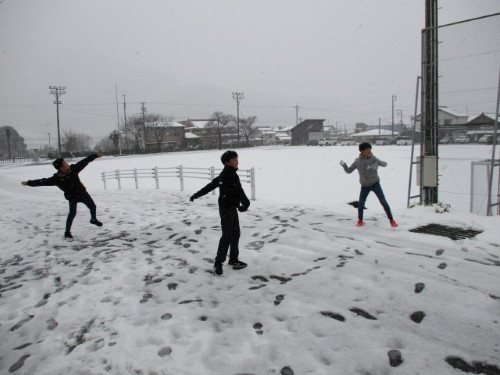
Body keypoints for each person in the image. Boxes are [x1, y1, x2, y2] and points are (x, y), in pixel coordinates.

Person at [190, 150, 250, 276]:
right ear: (226, 162)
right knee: (228, 235)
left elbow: (213, 186)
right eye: (234, 160)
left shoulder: (229, 174)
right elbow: (238, 190)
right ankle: (218, 263)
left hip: (231, 208)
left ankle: (233, 259)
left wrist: (196, 194)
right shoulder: (228, 175)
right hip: (226, 209)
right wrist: (246, 203)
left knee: (234, 234)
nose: (237, 161)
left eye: (236, 159)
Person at [21, 153, 104, 239]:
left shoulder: (73, 169)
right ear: (61, 168)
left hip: (82, 193)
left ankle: (93, 220)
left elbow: (84, 161)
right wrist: (29, 183)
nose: (67, 164)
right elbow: (43, 181)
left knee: (93, 206)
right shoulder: (56, 179)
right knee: (72, 213)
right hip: (72, 197)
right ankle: (67, 232)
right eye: (65, 163)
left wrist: (95, 155)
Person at [340, 142, 398, 227]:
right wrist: (344, 165)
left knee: (383, 202)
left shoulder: (373, 158)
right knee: (361, 204)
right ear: (361, 151)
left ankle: (392, 220)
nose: (369, 151)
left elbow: (384, 164)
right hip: (365, 186)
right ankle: (360, 220)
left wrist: (376, 164)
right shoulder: (357, 161)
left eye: (370, 149)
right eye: (367, 149)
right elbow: (349, 171)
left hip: (375, 184)